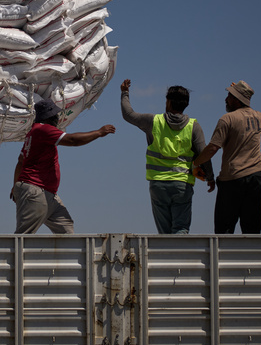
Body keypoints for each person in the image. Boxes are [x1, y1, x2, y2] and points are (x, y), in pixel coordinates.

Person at [120, 79, 215, 234]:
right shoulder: (193, 126)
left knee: (164, 234)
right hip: (182, 185)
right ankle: (179, 256)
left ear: (168, 102)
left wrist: (124, 93)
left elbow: (128, 114)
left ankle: (166, 256)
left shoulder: (154, 121)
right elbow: (203, 154)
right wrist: (210, 178)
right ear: (186, 104)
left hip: (158, 185)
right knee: (180, 229)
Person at [11, 99, 115, 234]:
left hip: (47, 193)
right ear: (48, 117)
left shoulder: (32, 133)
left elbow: (20, 161)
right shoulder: (43, 129)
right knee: (24, 236)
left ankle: (67, 255)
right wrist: (99, 132)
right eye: (54, 115)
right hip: (36, 190)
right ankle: (12, 255)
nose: (57, 119)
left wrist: (15, 187)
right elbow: (73, 140)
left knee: (65, 228)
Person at [193, 81, 261, 234]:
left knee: (224, 230)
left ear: (237, 99)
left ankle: (224, 258)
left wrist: (196, 162)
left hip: (233, 179)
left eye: (230, 96)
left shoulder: (227, 119)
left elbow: (213, 148)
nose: (226, 99)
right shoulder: (260, 118)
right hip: (256, 177)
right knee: (252, 228)